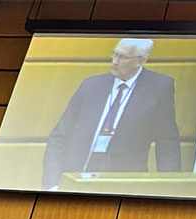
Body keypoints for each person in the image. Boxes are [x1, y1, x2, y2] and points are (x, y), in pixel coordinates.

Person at [42, 38, 181, 189]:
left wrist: (168, 187)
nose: (115, 61)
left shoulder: (159, 87)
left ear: (140, 61)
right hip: (76, 177)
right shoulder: (91, 85)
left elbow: (167, 141)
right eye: (114, 55)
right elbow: (59, 136)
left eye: (122, 57)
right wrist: (52, 183)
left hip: (123, 183)